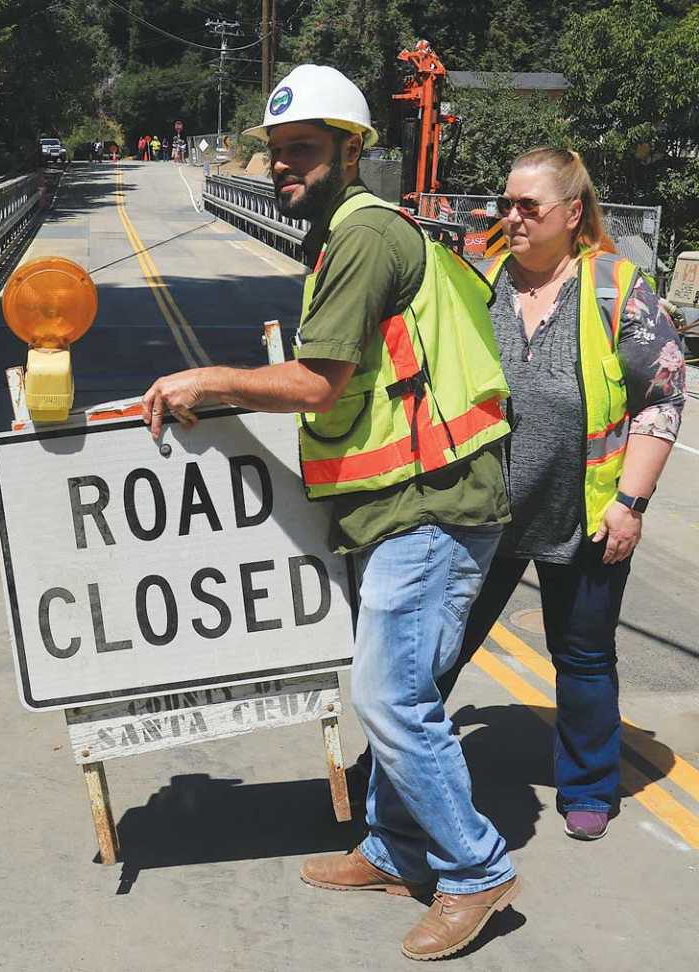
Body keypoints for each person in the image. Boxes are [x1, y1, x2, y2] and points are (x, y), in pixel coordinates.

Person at [140, 64, 521, 961]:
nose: (283, 168)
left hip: (429, 503)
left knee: (388, 698)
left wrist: (207, 379)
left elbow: (320, 382)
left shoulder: (361, 236)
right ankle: (395, 848)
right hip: (407, 501)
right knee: (408, 695)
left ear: (353, 151)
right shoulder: (347, 237)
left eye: (303, 150)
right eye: (277, 153)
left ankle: (475, 868)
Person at [351, 147, 686, 842]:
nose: (512, 217)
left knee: (584, 655)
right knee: (436, 651)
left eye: (528, 207)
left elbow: (662, 395)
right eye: (505, 204)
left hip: (585, 514)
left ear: (572, 213)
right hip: (483, 512)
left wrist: (631, 502)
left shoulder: (615, 287)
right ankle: (393, 768)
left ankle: (588, 785)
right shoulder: (485, 282)